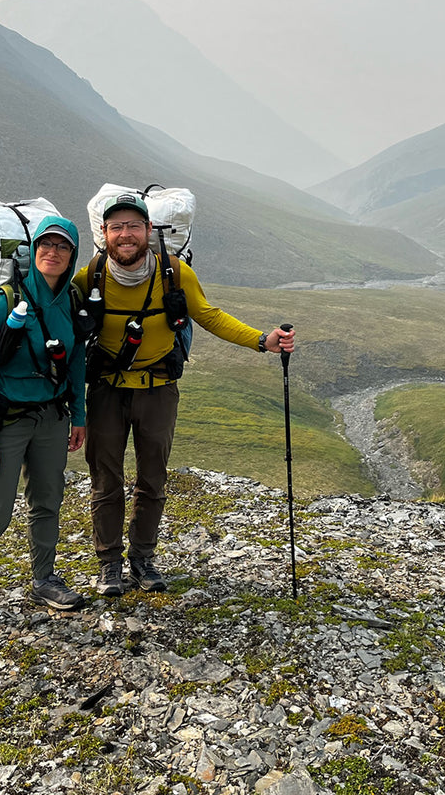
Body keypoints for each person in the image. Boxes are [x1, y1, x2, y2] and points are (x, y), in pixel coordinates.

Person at [74, 192, 295, 596]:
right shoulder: (90, 277)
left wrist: (263, 340)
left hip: (159, 391)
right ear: (104, 234)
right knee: (105, 480)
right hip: (106, 392)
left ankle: (142, 559)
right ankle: (109, 564)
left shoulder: (174, 273)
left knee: (152, 479)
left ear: (149, 231)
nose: (126, 235)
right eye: (117, 227)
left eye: (134, 226)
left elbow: (209, 316)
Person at [0, 215, 88, 631]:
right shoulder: (4, 302)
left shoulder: (72, 303)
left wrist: (79, 416)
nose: (53, 252)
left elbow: (77, 363)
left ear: (72, 256)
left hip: (51, 418)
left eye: (62, 246)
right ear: (33, 252)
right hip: (5, 423)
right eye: (45, 245)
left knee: (47, 503)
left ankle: (44, 580)